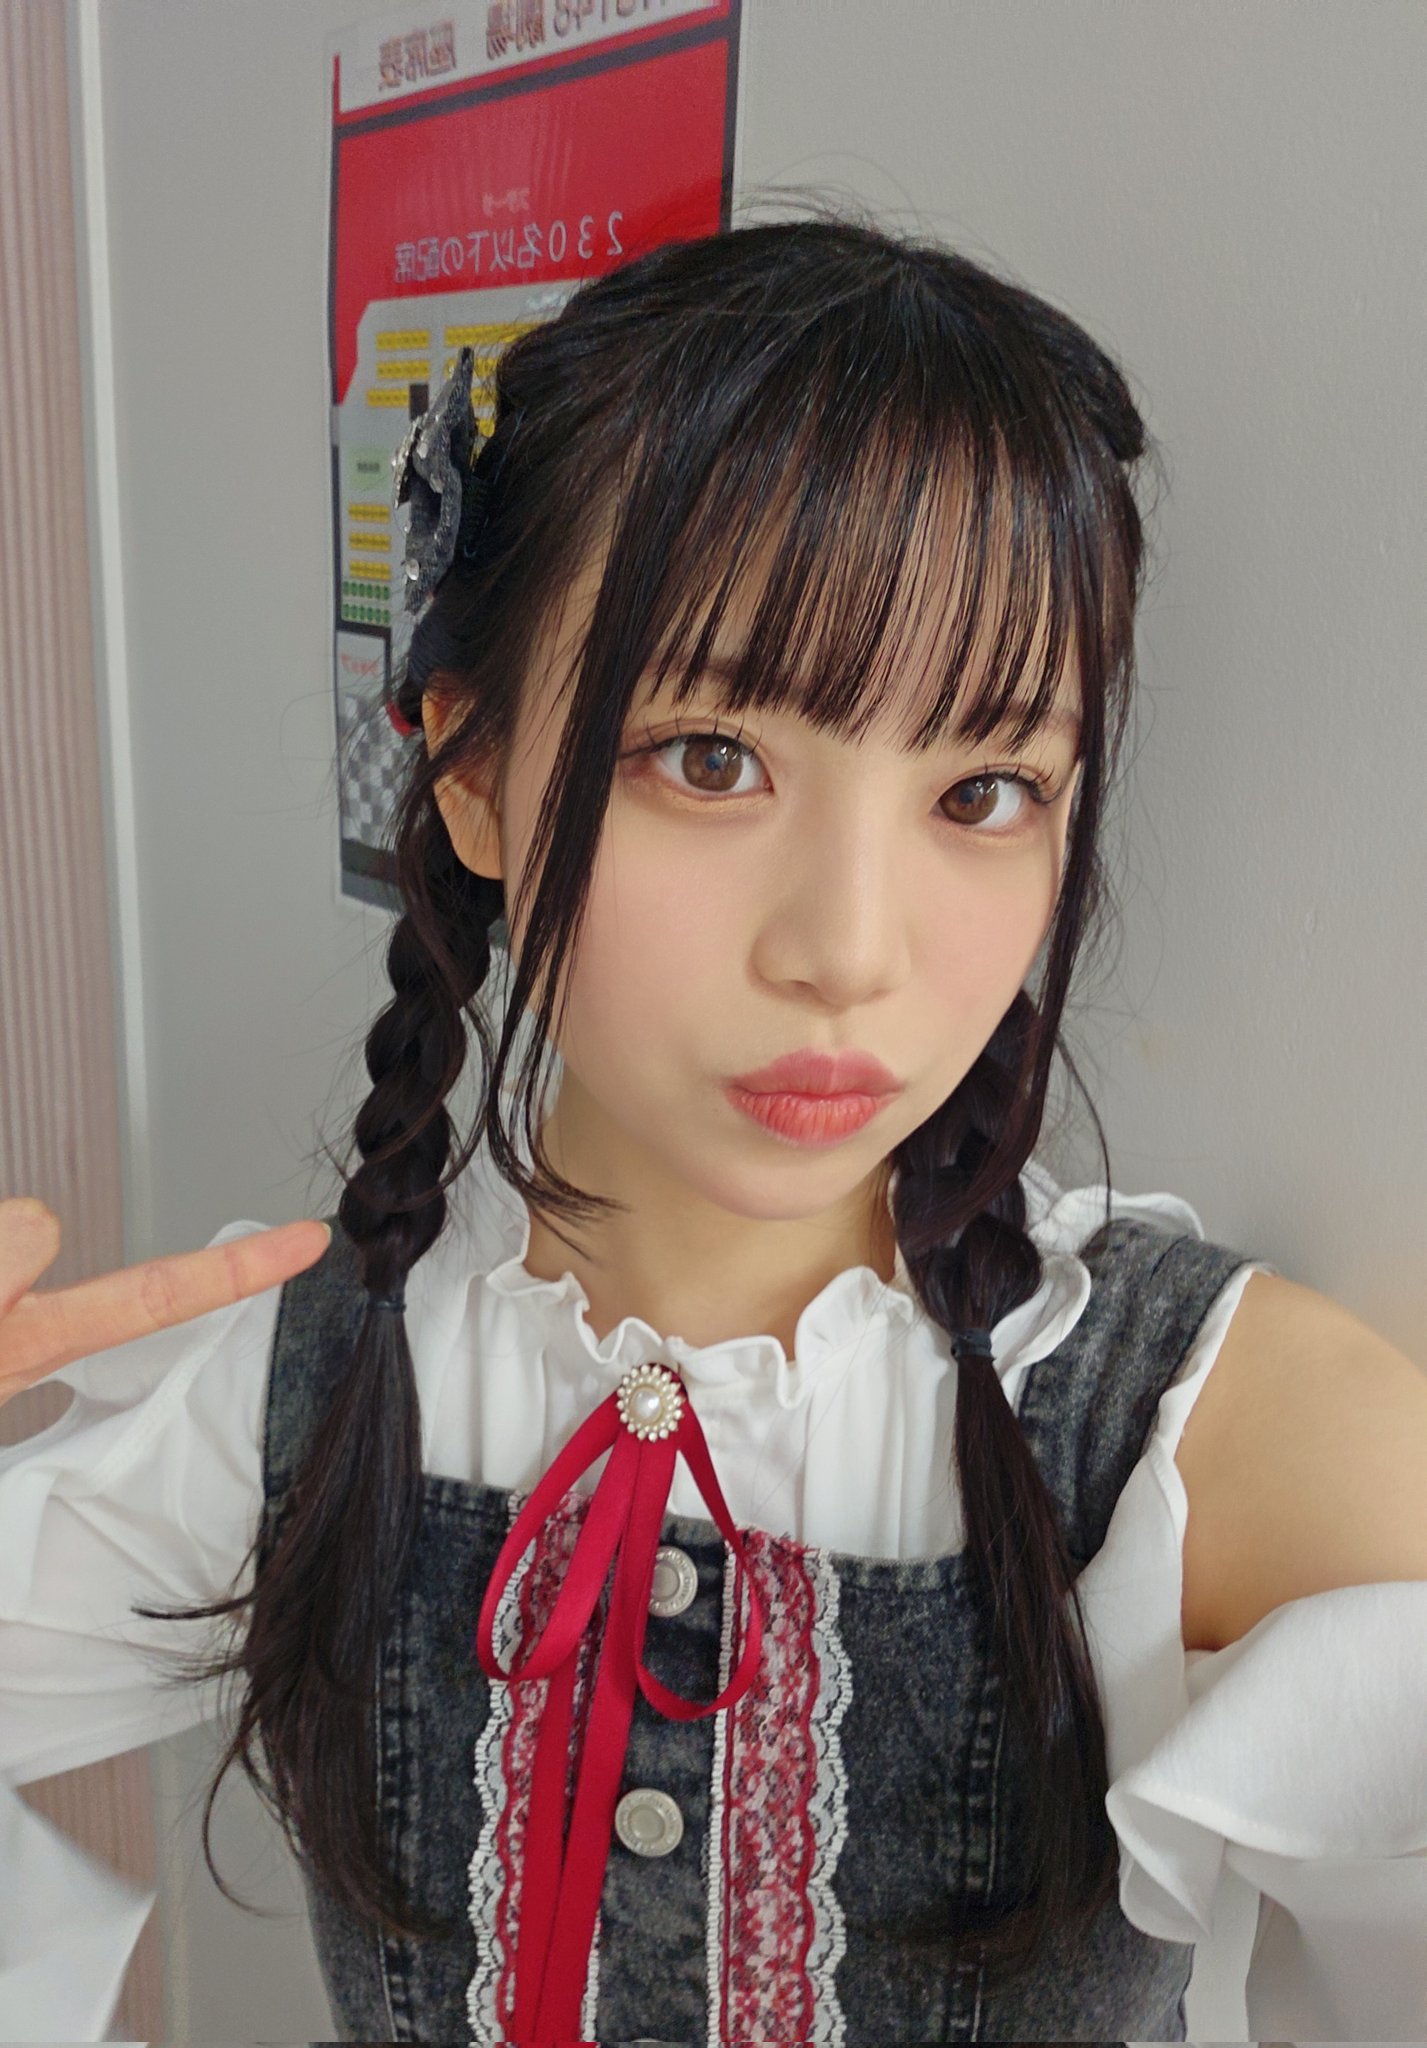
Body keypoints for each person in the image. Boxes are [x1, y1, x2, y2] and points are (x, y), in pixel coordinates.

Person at [2, 211, 1425, 2047]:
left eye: (983, 791)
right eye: (711, 759)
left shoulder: (1197, 1426)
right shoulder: (305, 1381)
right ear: (473, 769)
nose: (848, 950)